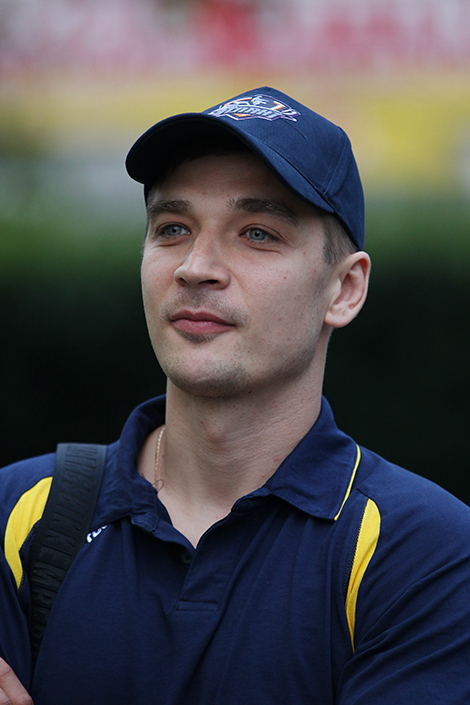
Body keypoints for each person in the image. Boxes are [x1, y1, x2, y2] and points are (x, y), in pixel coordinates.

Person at [1, 86, 469, 704]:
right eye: (173, 228)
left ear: (344, 289)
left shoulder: (423, 551)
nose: (196, 266)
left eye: (257, 233)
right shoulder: (19, 514)